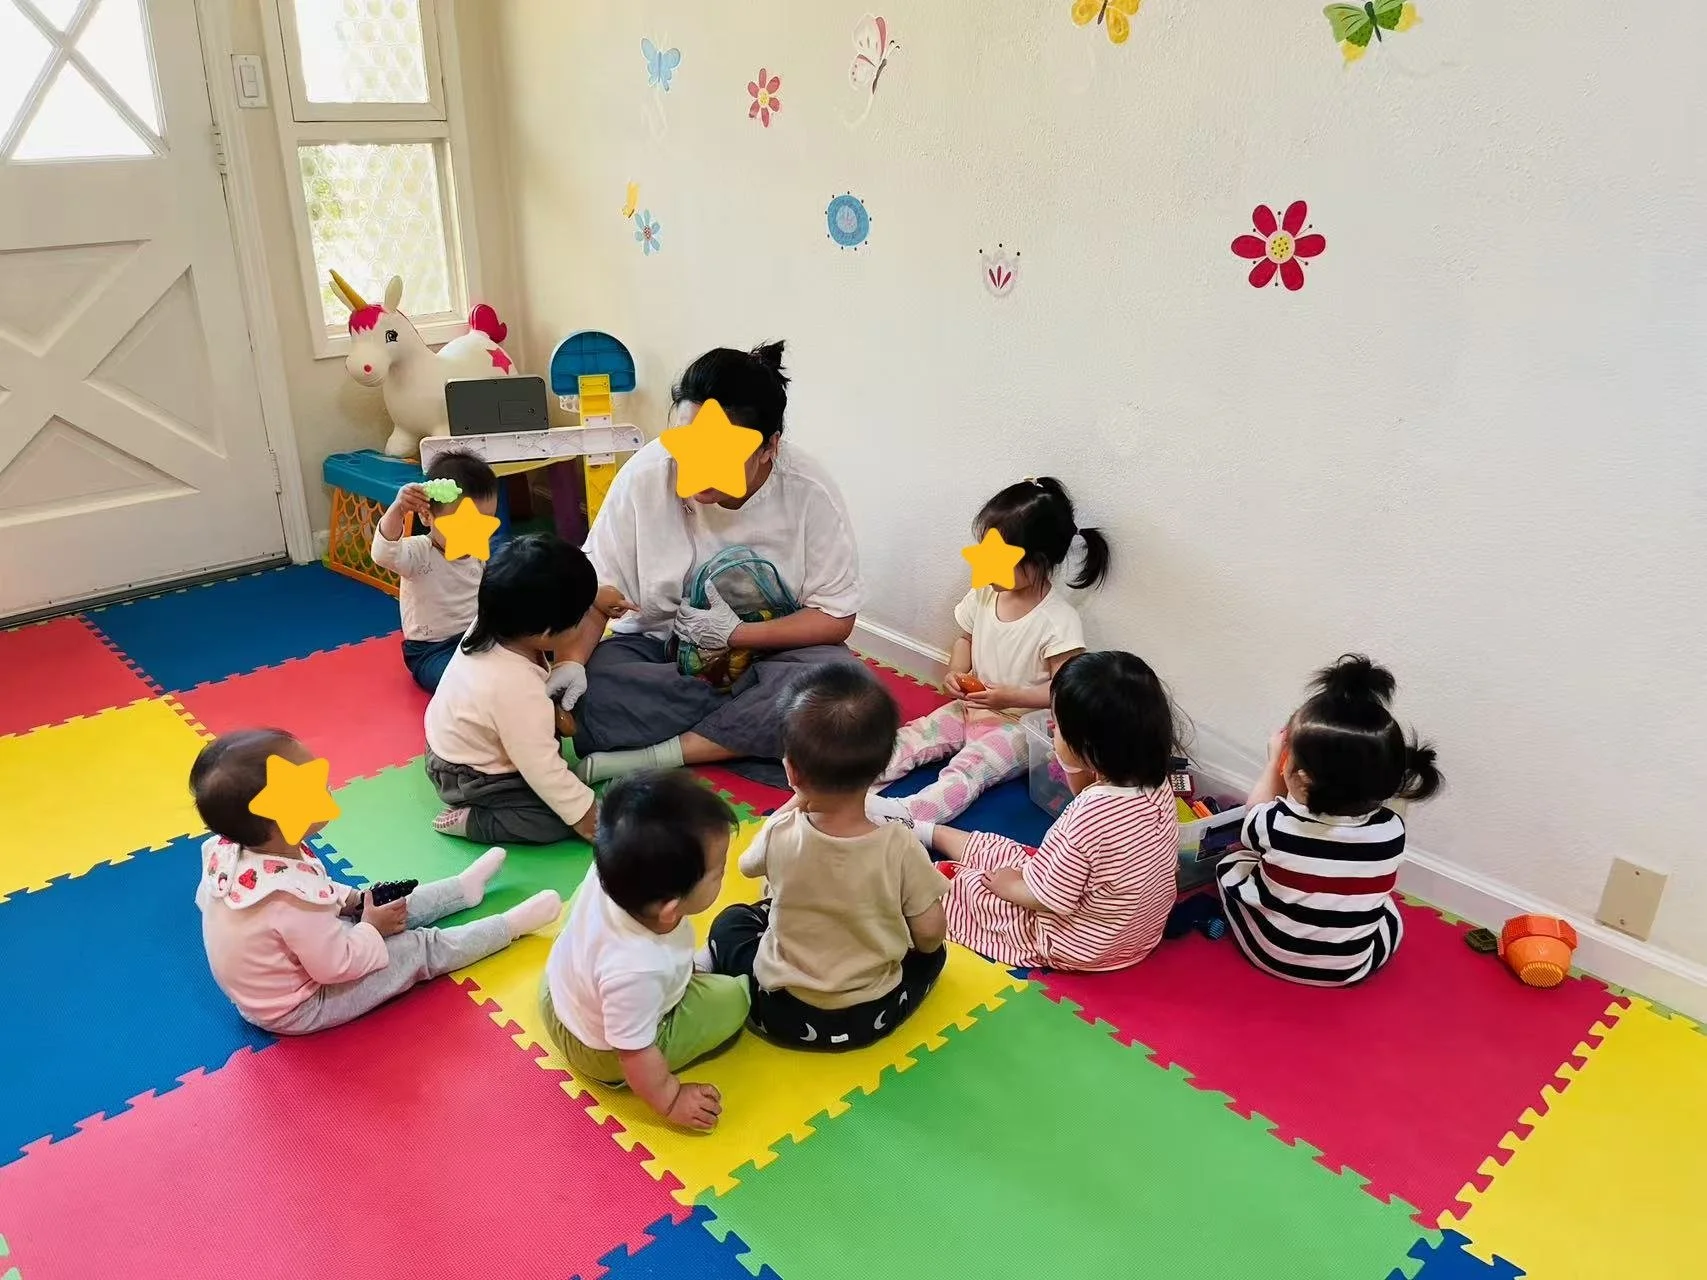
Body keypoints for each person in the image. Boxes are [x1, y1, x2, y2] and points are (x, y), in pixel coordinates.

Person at [573, 341, 864, 788]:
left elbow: (836, 617)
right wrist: (570, 666)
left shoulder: (807, 491)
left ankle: (664, 753)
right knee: (593, 685)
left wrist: (737, 635)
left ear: (771, 446)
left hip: (772, 653)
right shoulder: (647, 475)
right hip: (664, 655)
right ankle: (752, 731)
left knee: (846, 688)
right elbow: (596, 593)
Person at [191, 728, 561, 1034]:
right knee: (417, 948)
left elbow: (311, 888)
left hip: (305, 956)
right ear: (278, 818)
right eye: (311, 786)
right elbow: (335, 966)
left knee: (383, 901)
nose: (328, 788)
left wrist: (354, 901)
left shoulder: (243, 852)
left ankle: (462, 890)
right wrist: (370, 928)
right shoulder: (289, 903)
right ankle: (508, 927)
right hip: (301, 1004)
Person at [707, 665, 948, 1050]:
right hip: (872, 1015)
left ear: (791, 770)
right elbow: (931, 933)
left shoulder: (780, 832)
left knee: (732, 921)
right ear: (884, 766)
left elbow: (746, 866)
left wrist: (797, 801)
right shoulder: (900, 846)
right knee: (933, 955)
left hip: (783, 1013)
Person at [909, 651, 1179, 972]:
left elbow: (1050, 898)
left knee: (947, 885)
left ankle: (910, 839)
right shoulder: (1156, 782)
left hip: (1076, 941)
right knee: (1007, 853)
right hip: (1136, 935)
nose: (1051, 730)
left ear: (1089, 748)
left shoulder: (1091, 813)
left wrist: (1006, 887)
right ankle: (922, 829)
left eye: (1057, 727)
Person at [871, 477, 1109, 825]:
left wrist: (1010, 697)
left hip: (1018, 727)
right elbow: (964, 638)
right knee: (916, 735)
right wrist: (956, 671)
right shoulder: (986, 593)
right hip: (972, 706)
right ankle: (849, 773)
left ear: (1038, 561)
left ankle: (912, 817)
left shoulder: (1058, 621)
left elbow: (1064, 691)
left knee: (971, 768)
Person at [540, 771, 750, 1130]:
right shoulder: (637, 968)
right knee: (734, 999)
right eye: (719, 872)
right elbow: (633, 1051)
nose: (723, 875)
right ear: (670, 908)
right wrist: (670, 1098)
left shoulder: (619, 869)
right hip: (600, 1050)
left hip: (556, 991)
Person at [1217, 655, 1442, 987]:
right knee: (1388, 911)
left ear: (1299, 775)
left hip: (1270, 953)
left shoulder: (1274, 824)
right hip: (1351, 968)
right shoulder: (1392, 831)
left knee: (1231, 864)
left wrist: (1270, 765)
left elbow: (1251, 816)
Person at [425, 533, 618, 844]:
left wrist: (594, 597)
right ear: (544, 632)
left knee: (556, 786)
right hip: (470, 776)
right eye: (581, 617)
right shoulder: (513, 688)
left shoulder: (499, 621)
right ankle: (473, 820)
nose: (586, 623)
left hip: (458, 744)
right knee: (552, 821)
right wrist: (585, 817)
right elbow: (541, 767)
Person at [371, 450, 501, 693]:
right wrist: (398, 509)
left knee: (522, 650)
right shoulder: (419, 552)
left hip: (478, 634)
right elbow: (383, 553)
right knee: (455, 681)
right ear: (427, 516)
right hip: (432, 649)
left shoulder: (479, 551)